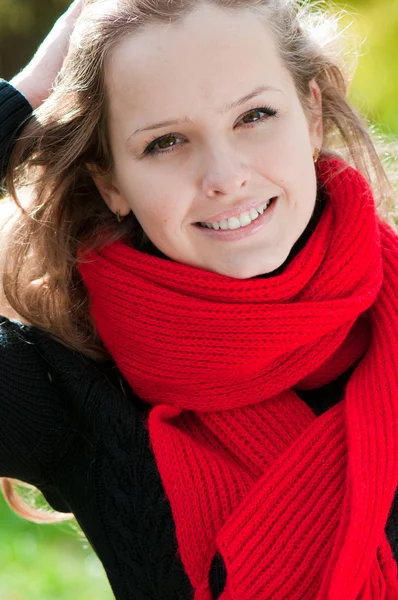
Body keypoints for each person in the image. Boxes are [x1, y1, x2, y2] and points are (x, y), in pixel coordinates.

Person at [1, 0, 398, 598]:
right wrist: (23, 96)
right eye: (165, 142)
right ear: (110, 183)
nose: (224, 175)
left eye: (255, 115)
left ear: (312, 117)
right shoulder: (66, 385)